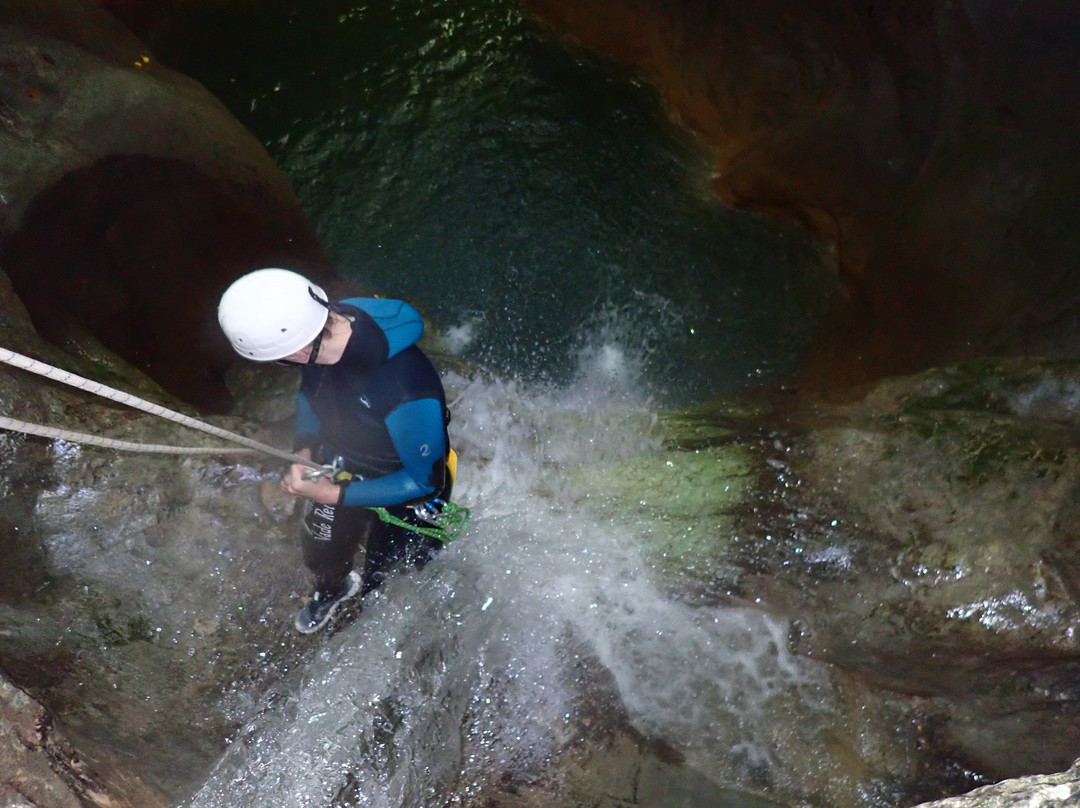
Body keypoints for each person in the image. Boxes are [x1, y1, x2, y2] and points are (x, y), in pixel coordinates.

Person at [218, 267, 455, 633]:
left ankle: (385, 617)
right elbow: (311, 395)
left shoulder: (405, 387)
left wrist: (331, 493)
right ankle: (334, 588)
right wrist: (307, 449)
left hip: (405, 484)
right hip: (343, 459)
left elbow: (425, 480)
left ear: (297, 349)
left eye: (278, 359)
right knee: (320, 549)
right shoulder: (318, 330)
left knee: (392, 574)